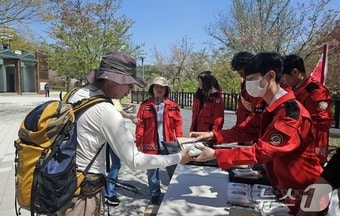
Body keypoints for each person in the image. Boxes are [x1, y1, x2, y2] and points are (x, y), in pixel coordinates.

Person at [57, 52, 192, 216]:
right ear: (113, 81)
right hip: (84, 191)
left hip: (60, 180)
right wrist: (179, 157)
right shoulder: (107, 111)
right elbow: (135, 161)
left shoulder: (75, 94)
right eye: (129, 84)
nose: (130, 90)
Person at [189, 52, 323, 215]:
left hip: (304, 189)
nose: (247, 84)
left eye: (251, 79)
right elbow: (246, 130)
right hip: (282, 184)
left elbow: (263, 151)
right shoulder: (268, 106)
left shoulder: (290, 114)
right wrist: (212, 136)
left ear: (270, 76)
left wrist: (216, 155)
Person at [135, 76, 183, 205]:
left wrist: (180, 139)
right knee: (152, 171)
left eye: (162, 87)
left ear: (166, 89)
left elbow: (178, 123)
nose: (159, 89)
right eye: (157, 86)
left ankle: (175, 191)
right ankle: (155, 194)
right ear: (152, 89)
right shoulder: (145, 106)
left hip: (169, 143)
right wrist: (139, 142)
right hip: (150, 144)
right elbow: (140, 125)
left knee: (173, 169)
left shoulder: (173, 105)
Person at [282, 54, 332, 165]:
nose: (283, 81)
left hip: (312, 151)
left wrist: (292, 127)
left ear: (295, 72)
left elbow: (323, 123)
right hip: (295, 148)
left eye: (283, 76)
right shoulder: (294, 90)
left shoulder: (316, 92)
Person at [105, 99, 139, 206]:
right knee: (116, 164)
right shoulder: (109, 98)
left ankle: (113, 182)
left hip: (114, 135)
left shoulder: (114, 98)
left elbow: (120, 111)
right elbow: (119, 112)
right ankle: (109, 193)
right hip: (112, 136)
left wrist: (130, 116)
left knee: (115, 163)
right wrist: (130, 117)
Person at [231, 52, 262, 145]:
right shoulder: (244, 82)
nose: (240, 74)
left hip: (251, 128)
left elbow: (256, 110)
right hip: (241, 126)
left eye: (241, 70)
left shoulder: (257, 83)